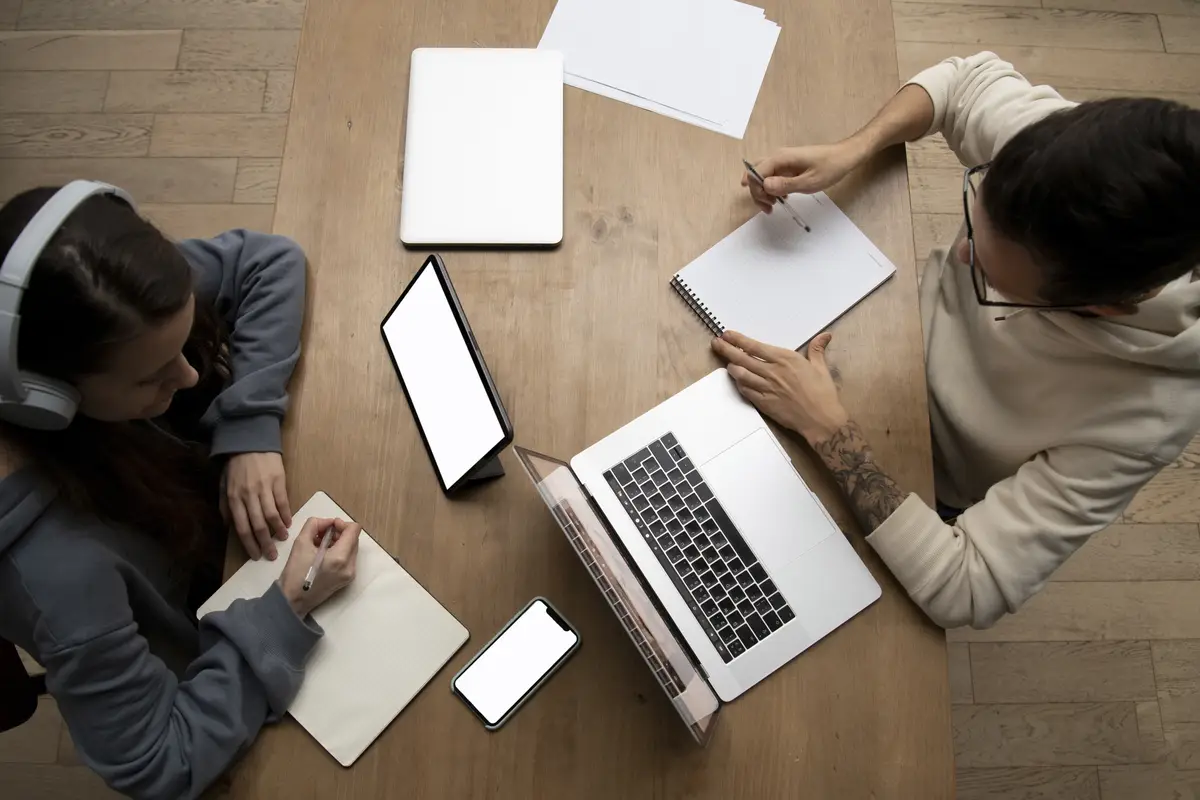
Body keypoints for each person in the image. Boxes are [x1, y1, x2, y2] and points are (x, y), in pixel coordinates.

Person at [712, 51, 1200, 629]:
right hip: (882, 334)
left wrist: (829, 431)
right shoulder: (1072, 167)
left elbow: (966, 587)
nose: (961, 254)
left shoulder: (1148, 416)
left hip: (919, 466)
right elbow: (964, 82)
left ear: (1094, 307)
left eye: (991, 277)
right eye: (975, 213)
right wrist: (854, 149)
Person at [0, 182, 363, 800]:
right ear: (49, 397)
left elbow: (268, 261)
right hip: (214, 640)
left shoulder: (103, 307)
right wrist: (287, 609)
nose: (192, 375)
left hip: (203, 527)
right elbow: (160, 767)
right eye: (153, 378)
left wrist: (249, 429)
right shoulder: (58, 578)